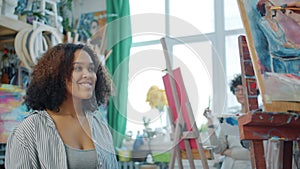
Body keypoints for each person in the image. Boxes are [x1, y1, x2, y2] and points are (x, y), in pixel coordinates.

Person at [5, 43, 118, 168]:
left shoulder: (101, 128)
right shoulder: (28, 131)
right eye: (78, 68)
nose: (88, 75)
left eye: (91, 69)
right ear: (57, 75)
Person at [204, 74, 251, 169]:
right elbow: (218, 149)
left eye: (244, 89)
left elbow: (257, 154)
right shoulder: (230, 119)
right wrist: (210, 122)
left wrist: (230, 152)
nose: (241, 93)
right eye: (237, 90)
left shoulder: (260, 118)